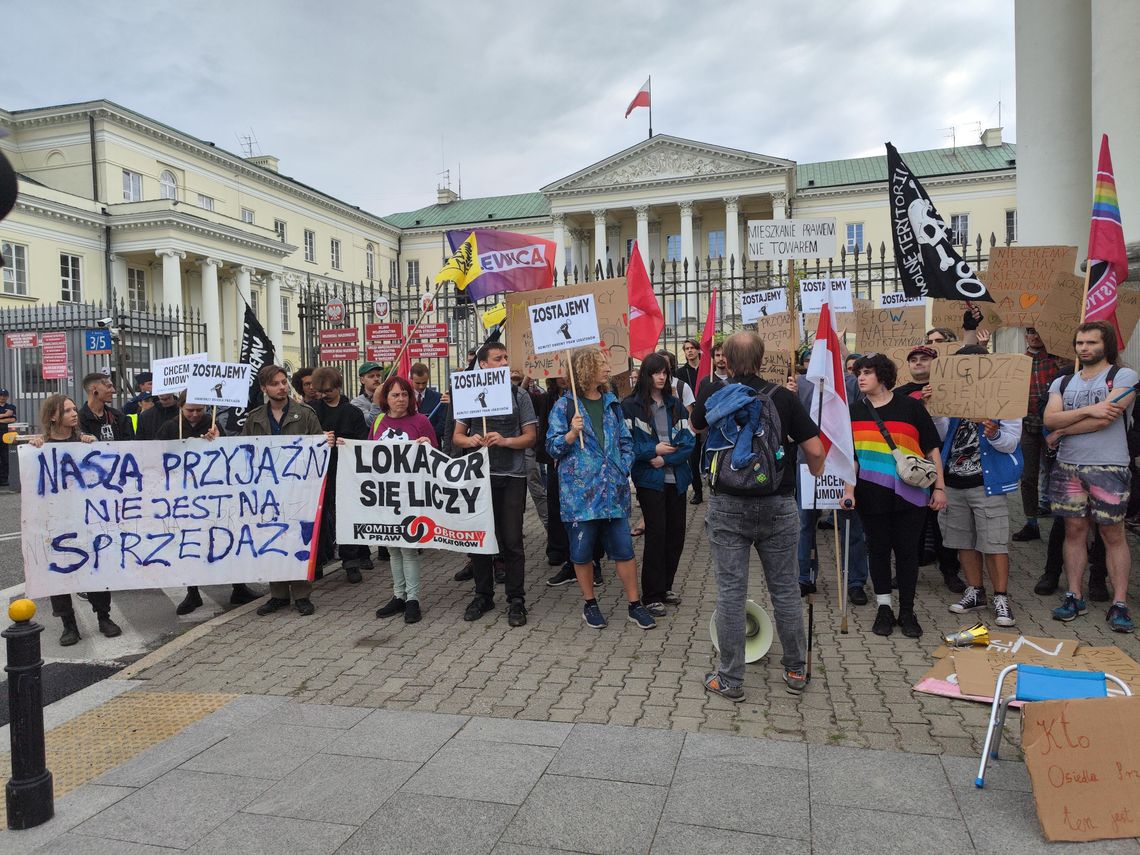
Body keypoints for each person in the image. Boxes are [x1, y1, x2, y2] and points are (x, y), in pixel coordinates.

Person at [692, 332, 824, 700]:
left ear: (726, 362)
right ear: (763, 359)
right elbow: (814, 449)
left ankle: (730, 679)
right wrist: (815, 472)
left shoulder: (712, 393)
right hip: (778, 503)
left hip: (727, 505)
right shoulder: (783, 397)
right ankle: (796, 670)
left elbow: (697, 428)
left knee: (731, 593)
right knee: (784, 589)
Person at [547, 347, 658, 631]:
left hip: (613, 492)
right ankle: (590, 602)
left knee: (624, 549)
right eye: (602, 363)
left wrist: (623, 465)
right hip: (580, 496)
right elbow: (552, 447)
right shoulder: (564, 406)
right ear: (585, 369)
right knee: (582, 552)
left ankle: (635, 604)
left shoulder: (612, 403)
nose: (608, 368)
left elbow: (625, 440)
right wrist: (571, 433)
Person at [844, 352, 946, 639]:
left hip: (910, 494)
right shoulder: (853, 411)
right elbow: (851, 457)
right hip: (870, 493)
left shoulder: (911, 408)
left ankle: (908, 611)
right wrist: (848, 490)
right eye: (858, 373)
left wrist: (940, 487)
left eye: (867, 372)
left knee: (907, 553)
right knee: (877, 552)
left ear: (883, 376)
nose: (860, 377)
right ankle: (884, 608)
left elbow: (931, 449)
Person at [1044, 320, 1138, 632]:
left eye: (1092, 343)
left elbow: (1104, 420)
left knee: (1113, 534)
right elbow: (1049, 417)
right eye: (1081, 343)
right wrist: (1088, 411)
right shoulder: (1062, 382)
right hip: (1068, 467)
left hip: (1109, 467)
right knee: (1074, 532)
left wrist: (1062, 429)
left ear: (1106, 345)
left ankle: (1119, 602)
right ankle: (1074, 595)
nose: (1085, 348)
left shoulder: (1124, 376)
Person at [939, 346, 1024, 628]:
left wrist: (994, 432)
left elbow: (1011, 442)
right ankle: (975, 591)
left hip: (986, 484)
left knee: (994, 542)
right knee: (963, 540)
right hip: (954, 481)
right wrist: (934, 408)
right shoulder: (952, 397)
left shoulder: (1005, 397)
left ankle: (1001, 596)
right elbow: (940, 435)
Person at [153, 393, 261, 615]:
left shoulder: (213, 424)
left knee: (225, 537)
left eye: (199, 410)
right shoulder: (169, 428)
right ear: (180, 407)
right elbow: (156, 457)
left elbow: (226, 456)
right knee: (189, 543)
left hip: (213, 495)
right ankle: (192, 593)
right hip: (183, 498)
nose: (194, 414)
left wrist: (217, 439)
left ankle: (238, 587)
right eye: (189, 410)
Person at [453, 341, 536, 627]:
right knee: (480, 539)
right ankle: (483, 595)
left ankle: (516, 599)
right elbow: (457, 436)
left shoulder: (519, 395)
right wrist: (471, 440)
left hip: (512, 475)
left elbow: (530, 436)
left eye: (505, 357)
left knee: (512, 540)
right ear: (483, 364)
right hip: (480, 475)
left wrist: (506, 441)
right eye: (498, 359)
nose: (503, 363)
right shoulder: (467, 392)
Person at [29, 395, 123, 646]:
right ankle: (68, 624)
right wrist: (35, 447)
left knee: (95, 568)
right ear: (53, 416)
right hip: (56, 522)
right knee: (58, 572)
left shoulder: (84, 442)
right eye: (67, 410)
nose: (74, 413)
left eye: (74, 409)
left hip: (87, 519)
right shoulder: (42, 446)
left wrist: (92, 444)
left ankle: (104, 617)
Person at [242, 364, 325, 616]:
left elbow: (318, 450)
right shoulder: (255, 417)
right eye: (275, 383)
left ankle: (301, 594)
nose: (281, 387)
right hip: (267, 491)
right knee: (271, 538)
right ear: (264, 388)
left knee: (298, 538)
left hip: (298, 489)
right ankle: (277, 594)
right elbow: (244, 451)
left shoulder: (305, 413)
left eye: (283, 382)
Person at [622, 353, 695, 617]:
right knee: (656, 534)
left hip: (676, 478)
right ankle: (651, 594)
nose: (662, 376)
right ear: (646, 375)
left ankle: (666, 587)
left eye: (665, 371)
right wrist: (652, 449)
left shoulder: (676, 404)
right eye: (657, 372)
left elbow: (689, 442)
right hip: (649, 481)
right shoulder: (630, 405)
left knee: (676, 534)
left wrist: (664, 459)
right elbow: (627, 443)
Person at [789, 371, 870, 606]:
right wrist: (792, 394)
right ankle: (805, 576)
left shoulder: (852, 382)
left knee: (850, 522)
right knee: (805, 522)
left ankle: (855, 581)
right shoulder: (802, 382)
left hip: (843, 460)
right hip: (809, 463)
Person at [892, 345, 964, 593]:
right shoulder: (899, 394)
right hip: (910, 466)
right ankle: (907, 572)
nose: (919, 363)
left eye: (924, 359)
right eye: (914, 359)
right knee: (912, 524)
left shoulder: (947, 391)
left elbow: (944, 433)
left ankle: (950, 571)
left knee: (942, 522)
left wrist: (933, 406)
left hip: (941, 462)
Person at [368, 375, 438, 625]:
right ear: (386, 399)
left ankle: (413, 599)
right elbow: (368, 454)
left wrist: (427, 445)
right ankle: (399, 595)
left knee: (408, 548)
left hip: (410, 495)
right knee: (392, 548)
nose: (401, 399)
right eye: (395, 395)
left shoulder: (420, 421)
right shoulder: (378, 421)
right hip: (386, 495)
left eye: (404, 394)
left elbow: (436, 455)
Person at [1012, 326, 1074, 542]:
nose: (1035, 335)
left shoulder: (1060, 360)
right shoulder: (1018, 361)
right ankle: (1031, 524)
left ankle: (1065, 524)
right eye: (1030, 331)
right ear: (1025, 335)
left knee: (1059, 476)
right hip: (1027, 426)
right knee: (1028, 478)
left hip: (1055, 428)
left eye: (1039, 331)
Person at [310, 366, 372, 583]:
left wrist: (347, 443)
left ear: (337, 387)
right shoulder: (312, 411)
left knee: (345, 516)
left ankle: (351, 561)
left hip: (345, 471)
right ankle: (316, 561)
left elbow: (363, 442)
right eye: (321, 391)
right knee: (318, 517)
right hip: (318, 471)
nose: (324, 395)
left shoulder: (352, 412)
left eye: (328, 391)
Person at [511, 368, 549, 530]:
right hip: (508, 450)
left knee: (536, 486)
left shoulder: (534, 393)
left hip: (529, 448)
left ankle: (549, 526)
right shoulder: (499, 391)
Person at [677, 339, 704, 506]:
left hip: (707, 415)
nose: (689, 351)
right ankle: (698, 490)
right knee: (693, 457)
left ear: (699, 350)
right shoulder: (680, 373)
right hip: (690, 417)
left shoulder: (707, 368)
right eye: (686, 349)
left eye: (692, 348)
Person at [79, 372, 134, 441]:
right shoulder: (79, 419)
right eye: (109, 386)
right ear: (94, 389)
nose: (113, 390)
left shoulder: (118, 417)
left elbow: (130, 445)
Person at [410, 362, 450, 451]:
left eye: (424, 383)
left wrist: (428, 435)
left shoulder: (438, 398)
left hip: (432, 446)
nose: (421, 386)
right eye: (417, 383)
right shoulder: (405, 398)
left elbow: (443, 423)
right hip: (410, 446)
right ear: (411, 379)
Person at [0, 387, 16, 487]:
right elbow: (8, 416)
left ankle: (4, 479)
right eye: (1, 395)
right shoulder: (8, 410)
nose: (2, 397)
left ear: (7, 397)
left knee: (5, 457)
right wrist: (5, 415)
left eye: (4, 395)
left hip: (5, 435)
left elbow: (13, 419)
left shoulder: (11, 406)